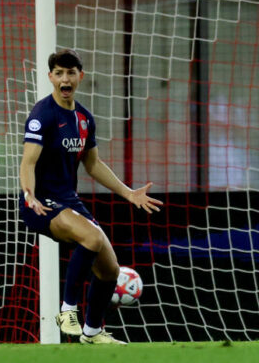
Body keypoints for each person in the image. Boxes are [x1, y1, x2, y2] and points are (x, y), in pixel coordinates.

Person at [19, 49, 162, 344]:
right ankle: (67, 310)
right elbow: (28, 162)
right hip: (40, 202)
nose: (65, 78)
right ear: (50, 78)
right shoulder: (42, 115)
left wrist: (128, 192)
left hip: (67, 201)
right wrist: (29, 194)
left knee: (109, 270)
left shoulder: (84, 118)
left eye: (70, 73)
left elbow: (93, 164)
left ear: (79, 77)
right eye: (58, 73)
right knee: (93, 238)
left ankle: (92, 332)